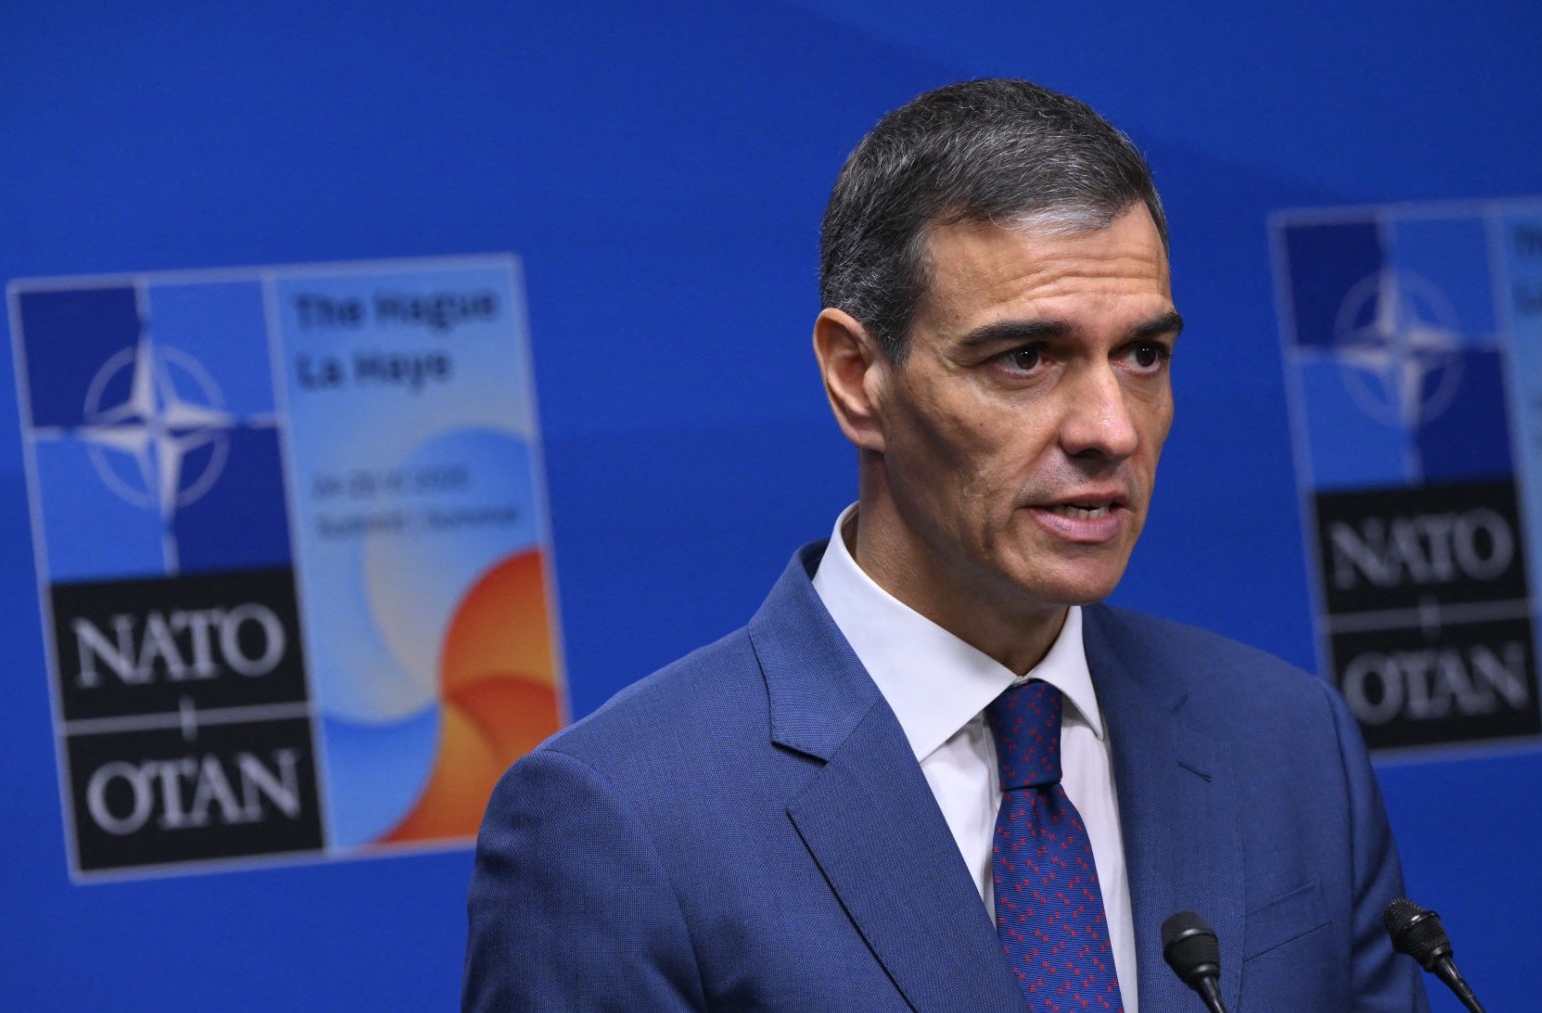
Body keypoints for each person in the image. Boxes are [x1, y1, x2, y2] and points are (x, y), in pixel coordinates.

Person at [464, 79, 1427, 1012]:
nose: (1112, 428)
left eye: (1143, 354)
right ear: (856, 378)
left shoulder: (1290, 745)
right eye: (1025, 357)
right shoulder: (624, 819)